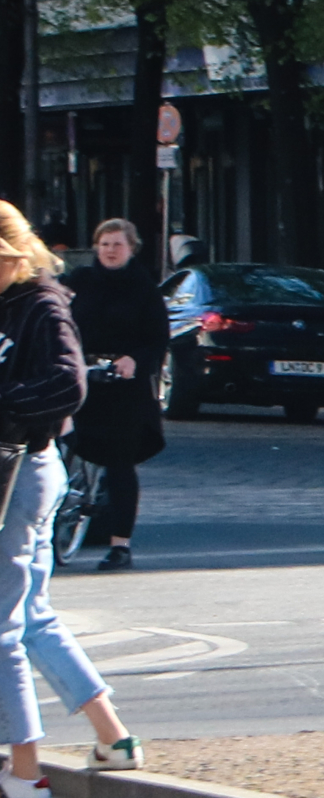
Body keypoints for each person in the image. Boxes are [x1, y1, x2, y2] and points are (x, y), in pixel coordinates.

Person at [0, 204, 143, 798]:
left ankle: (25, 772)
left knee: (2, 622)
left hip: (20, 467)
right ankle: (115, 739)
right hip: (22, 466)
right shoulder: (19, 302)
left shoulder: (40, 303)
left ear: (10, 255)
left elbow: (68, 383)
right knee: (30, 613)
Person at [63, 218, 167, 572]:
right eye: (105, 244)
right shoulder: (79, 282)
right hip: (83, 376)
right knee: (60, 448)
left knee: (120, 463)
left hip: (125, 386)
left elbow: (157, 338)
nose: (110, 251)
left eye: (117, 245)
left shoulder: (144, 288)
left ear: (131, 249)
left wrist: (134, 359)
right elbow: (60, 322)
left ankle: (120, 544)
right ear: (95, 247)